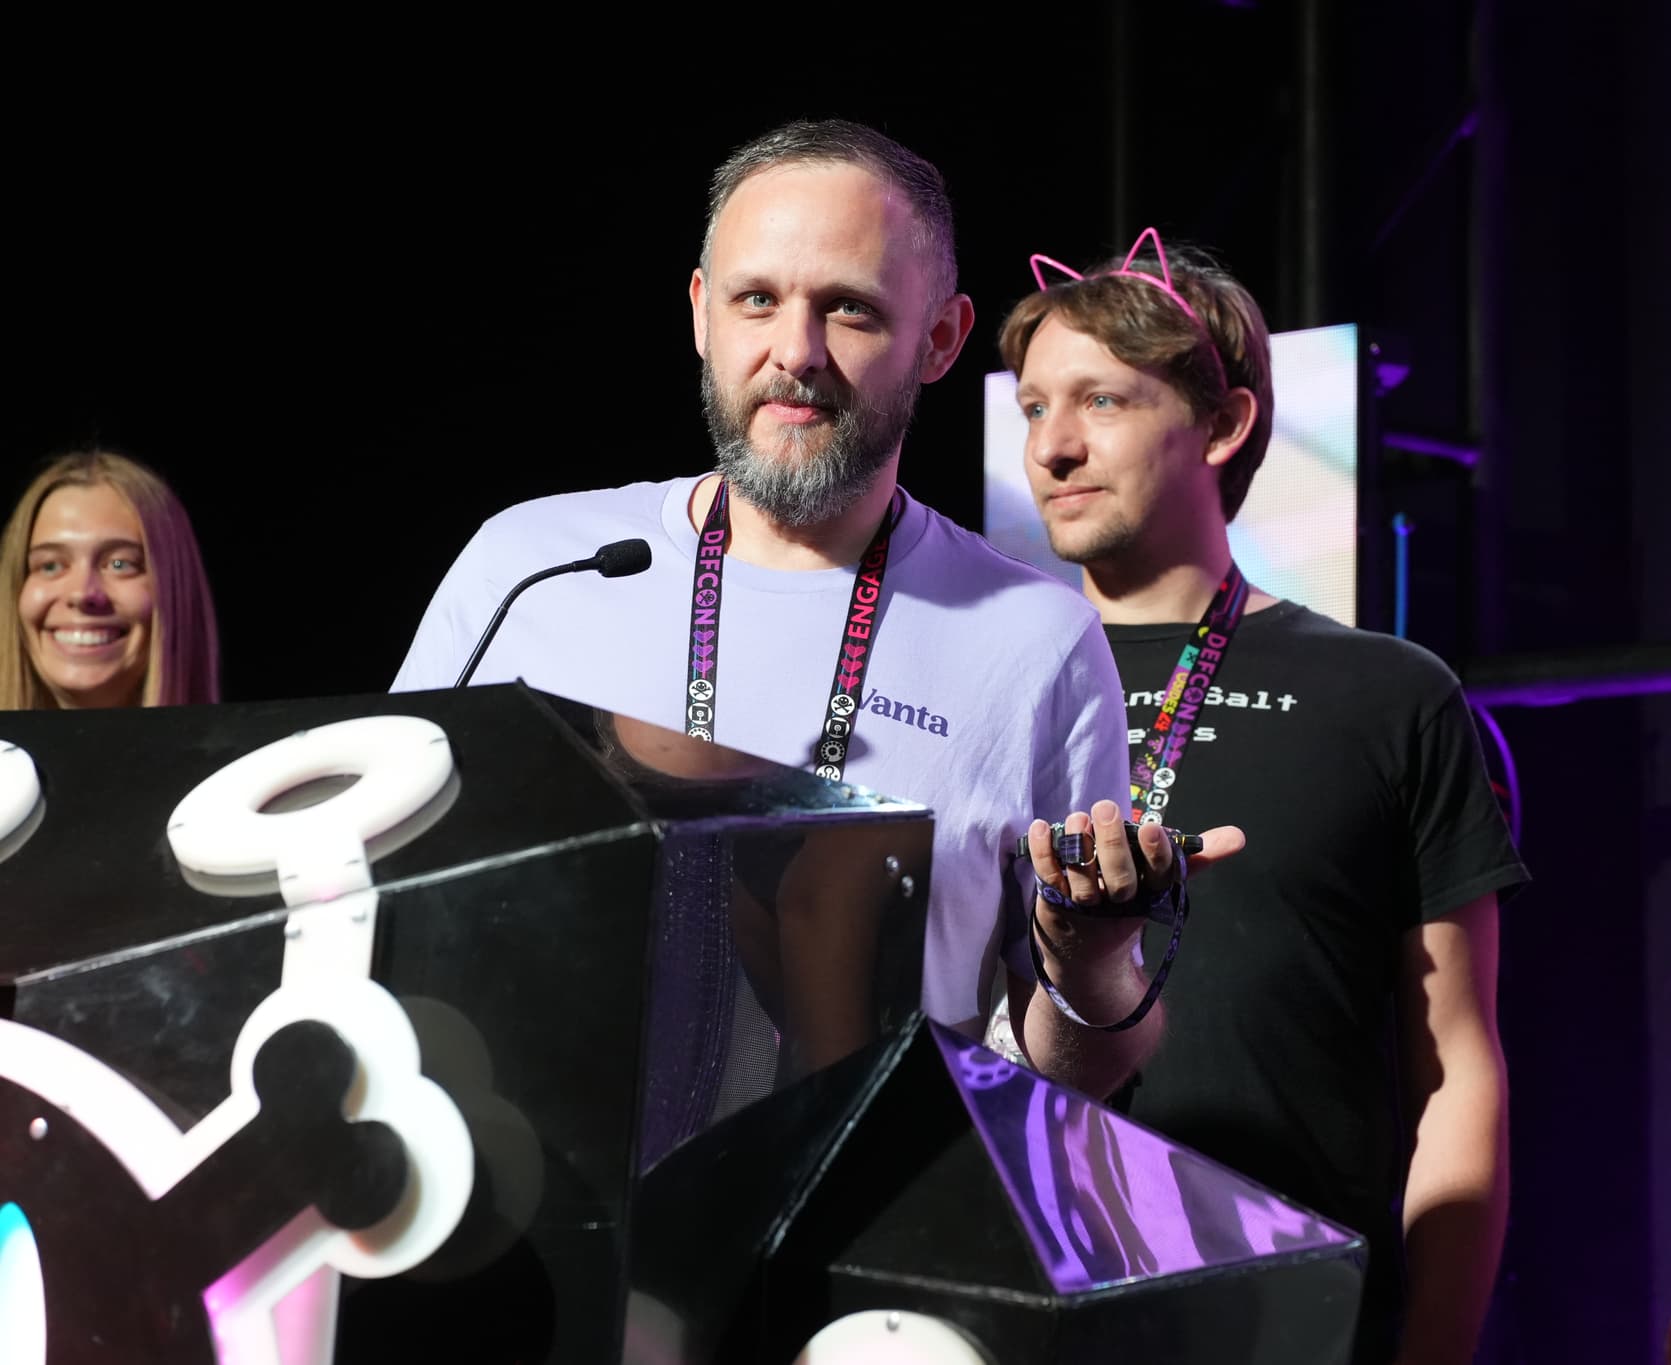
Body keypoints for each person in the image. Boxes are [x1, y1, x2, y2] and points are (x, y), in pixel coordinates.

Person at [393, 120, 1238, 1098]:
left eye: (848, 310)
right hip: (519, 1203)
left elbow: (1077, 1080)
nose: (794, 352)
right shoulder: (532, 566)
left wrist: (1091, 965)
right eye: (757, 300)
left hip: (839, 1225)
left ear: (939, 340)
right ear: (702, 313)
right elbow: (373, 893)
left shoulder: (1032, 636)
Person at [997, 232, 1526, 1364]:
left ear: (1224, 425)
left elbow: (1456, 1065)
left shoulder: (1384, 694)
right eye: (1033, 405)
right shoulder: (982, 678)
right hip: (1000, 1307)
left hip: (1292, 1317)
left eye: (1099, 399)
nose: (1052, 446)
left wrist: (1431, 1348)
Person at [1, 448, 220, 710]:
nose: (82, 594)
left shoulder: (269, 751)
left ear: (175, 592)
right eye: (50, 566)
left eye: (120, 564)